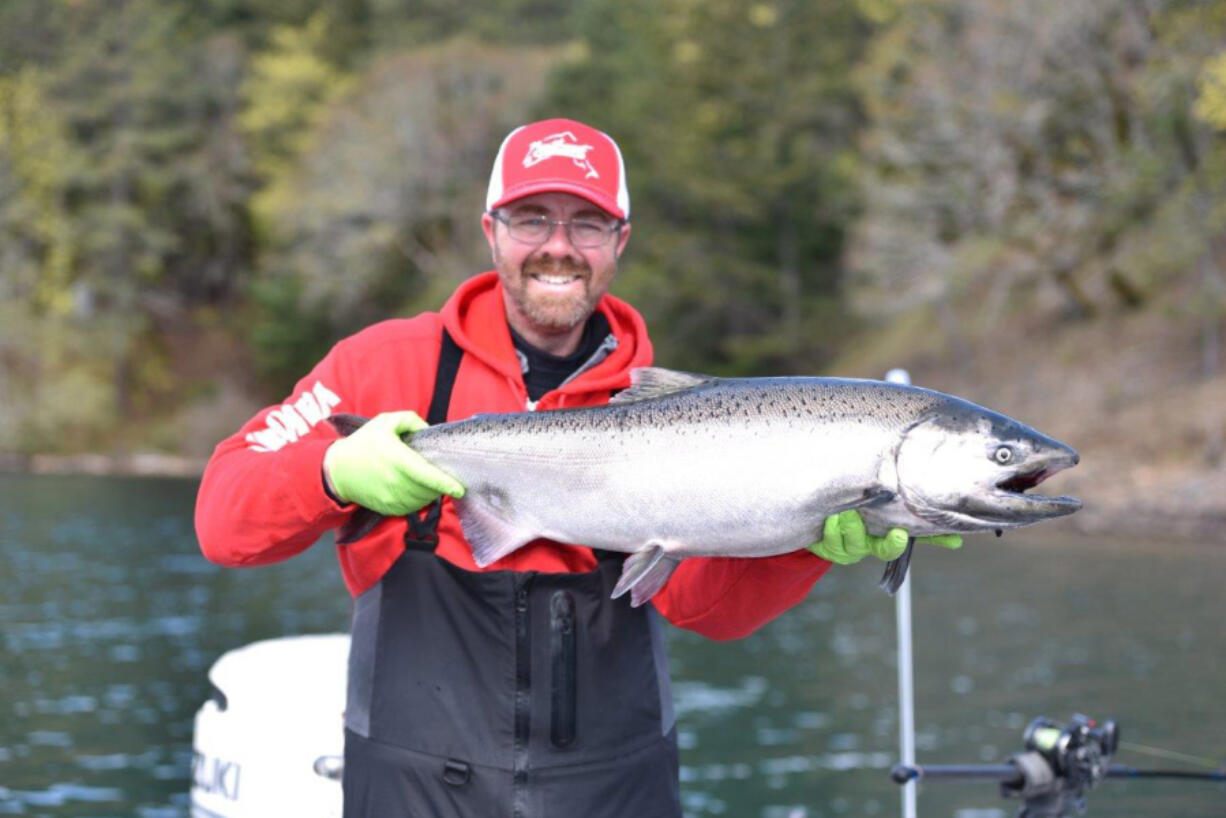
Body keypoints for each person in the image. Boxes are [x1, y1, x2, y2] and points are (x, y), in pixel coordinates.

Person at [195, 118, 961, 817]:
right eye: (533, 219)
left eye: (586, 223)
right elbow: (223, 521)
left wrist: (803, 546)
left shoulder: (680, 409)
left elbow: (707, 610)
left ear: (619, 241)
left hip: (615, 787)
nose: (558, 245)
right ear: (490, 231)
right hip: (412, 786)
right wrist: (331, 472)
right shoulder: (380, 366)